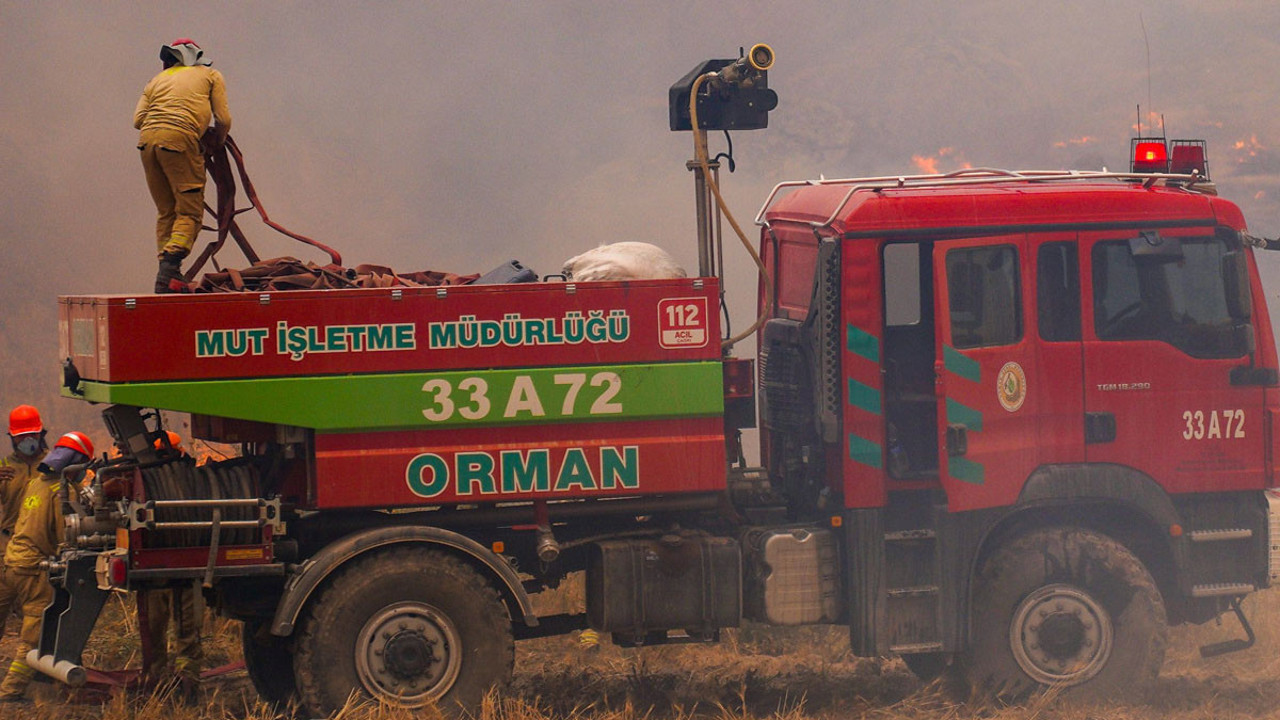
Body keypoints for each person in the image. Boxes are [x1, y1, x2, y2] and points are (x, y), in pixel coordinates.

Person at [0, 431, 93, 703]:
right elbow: (67, 537)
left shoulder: (38, 482)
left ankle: (54, 677)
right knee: (33, 633)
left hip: (13, 561)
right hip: (32, 568)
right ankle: (10, 691)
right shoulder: (60, 492)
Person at [134, 38, 232, 294]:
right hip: (179, 139)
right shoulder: (210, 75)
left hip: (147, 142)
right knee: (190, 212)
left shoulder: (156, 80)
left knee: (167, 211)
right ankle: (169, 270)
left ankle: (166, 278)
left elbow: (138, 120)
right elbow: (223, 118)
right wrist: (216, 142)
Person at [139, 432, 204, 688]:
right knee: (154, 627)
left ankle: (187, 680)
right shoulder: (150, 480)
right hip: (157, 569)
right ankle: (156, 676)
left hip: (185, 569)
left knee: (187, 628)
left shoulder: (189, 480)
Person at [0, 406, 47, 559]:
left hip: (45, 546)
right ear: (12, 437)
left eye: (32, 434)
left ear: (40, 433)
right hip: (9, 545)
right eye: (21, 435)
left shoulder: (54, 465)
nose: (28, 439)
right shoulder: (4, 468)